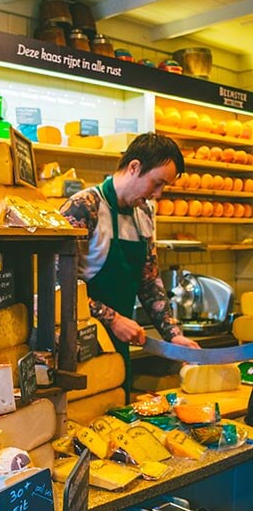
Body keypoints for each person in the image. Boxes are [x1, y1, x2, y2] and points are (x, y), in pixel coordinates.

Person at [60, 133, 199, 397]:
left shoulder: (144, 213)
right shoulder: (83, 207)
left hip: (119, 342)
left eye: (163, 188)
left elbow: (149, 281)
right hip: (79, 343)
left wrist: (173, 335)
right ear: (134, 167)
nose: (156, 195)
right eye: (156, 184)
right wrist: (111, 319)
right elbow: (58, 286)